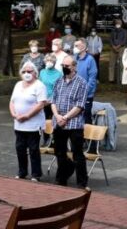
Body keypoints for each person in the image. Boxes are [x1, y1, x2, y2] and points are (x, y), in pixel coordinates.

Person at [50, 55, 88, 188]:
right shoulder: (58, 81)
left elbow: (80, 105)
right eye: (63, 66)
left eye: (67, 66)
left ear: (74, 67)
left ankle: (81, 183)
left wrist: (65, 117)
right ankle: (61, 179)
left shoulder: (81, 83)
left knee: (78, 154)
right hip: (58, 122)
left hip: (74, 124)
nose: (64, 68)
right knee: (59, 152)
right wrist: (57, 116)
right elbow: (53, 101)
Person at [10, 61, 48, 181]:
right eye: (24, 71)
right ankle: (22, 172)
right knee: (20, 148)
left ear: (35, 73)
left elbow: (40, 104)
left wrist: (27, 115)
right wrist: (14, 114)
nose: (26, 73)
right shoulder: (18, 85)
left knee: (33, 149)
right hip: (19, 124)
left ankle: (36, 174)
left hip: (33, 125)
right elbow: (12, 102)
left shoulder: (39, 86)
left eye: (29, 71)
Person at [74, 39, 98, 124]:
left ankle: (88, 132)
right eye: (74, 45)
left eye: (77, 45)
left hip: (87, 94)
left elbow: (92, 78)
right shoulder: (74, 58)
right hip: (74, 93)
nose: (75, 47)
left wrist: (85, 90)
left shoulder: (90, 59)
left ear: (84, 47)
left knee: (86, 116)